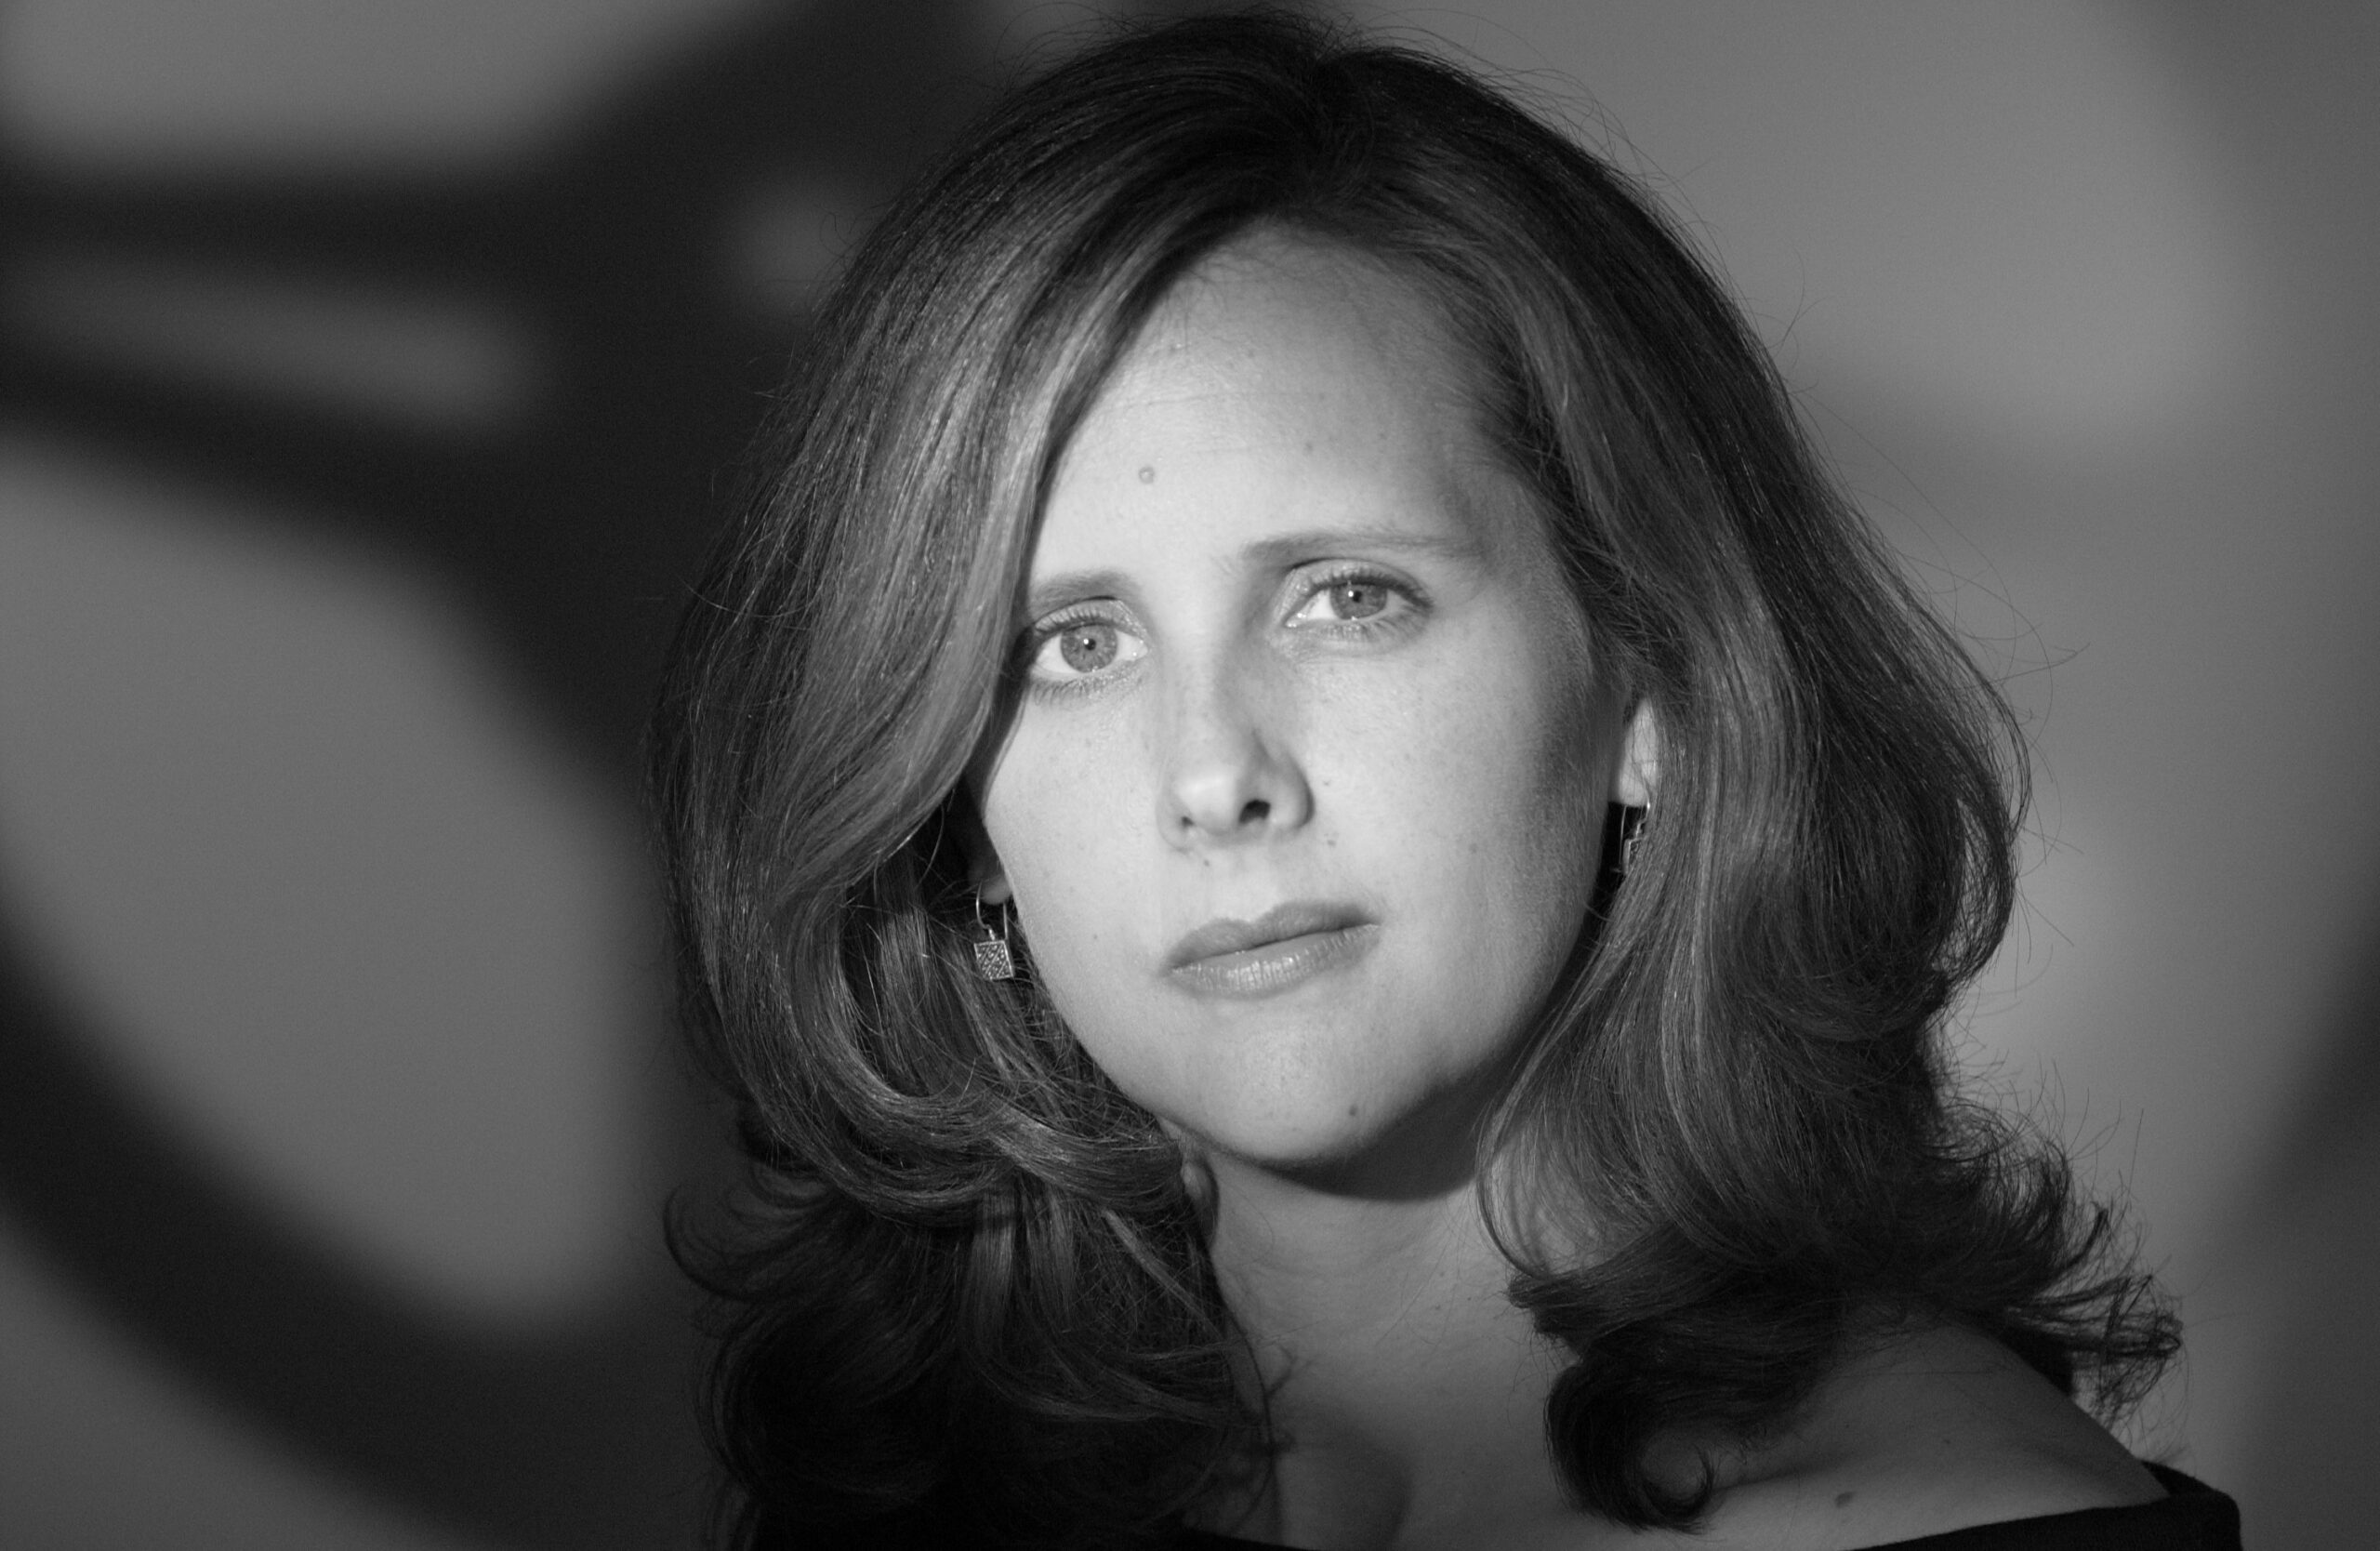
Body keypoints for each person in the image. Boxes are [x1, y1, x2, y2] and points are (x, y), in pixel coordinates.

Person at [649, 14, 2238, 1549]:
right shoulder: (905, 1498)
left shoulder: (1975, 1520)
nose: (1214, 776)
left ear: (1652, 685)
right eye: (1072, 646)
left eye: (1348, 599)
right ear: (961, 823)